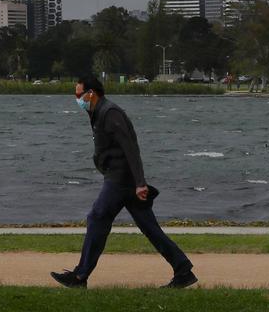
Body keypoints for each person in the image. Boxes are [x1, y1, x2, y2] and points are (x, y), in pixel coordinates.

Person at [51, 74, 197, 289]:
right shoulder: (98, 112)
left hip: (121, 180)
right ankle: (183, 269)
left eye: (79, 94)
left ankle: (80, 276)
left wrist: (140, 183)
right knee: (149, 227)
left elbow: (130, 148)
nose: (77, 99)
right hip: (120, 179)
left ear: (91, 94)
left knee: (97, 217)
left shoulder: (110, 113)